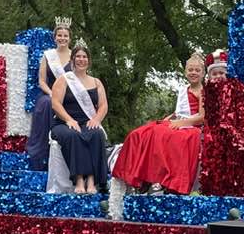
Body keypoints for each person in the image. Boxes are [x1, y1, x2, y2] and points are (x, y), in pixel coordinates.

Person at [112, 52, 206, 195]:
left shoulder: (203, 91)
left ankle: (170, 182)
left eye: (197, 70)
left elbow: (201, 117)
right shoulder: (183, 90)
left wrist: (180, 122)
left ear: (203, 73)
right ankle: (143, 176)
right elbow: (178, 111)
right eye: (190, 70)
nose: (193, 73)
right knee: (143, 133)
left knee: (171, 137)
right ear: (185, 71)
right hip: (178, 122)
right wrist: (170, 118)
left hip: (192, 126)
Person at [50, 41, 109, 194]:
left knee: (96, 134)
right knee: (74, 136)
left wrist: (96, 119)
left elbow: (103, 106)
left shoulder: (96, 82)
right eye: (78, 57)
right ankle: (79, 180)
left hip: (87, 121)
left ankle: (91, 180)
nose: (81, 59)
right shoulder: (64, 79)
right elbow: (56, 103)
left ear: (88, 60)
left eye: (84, 57)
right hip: (64, 122)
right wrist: (69, 119)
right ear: (73, 60)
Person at [26, 18, 73, 170]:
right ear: (55, 38)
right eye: (59, 35)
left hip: (70, 94)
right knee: (46, 103)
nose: (62, 38)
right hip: (50, 93)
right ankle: (42, 150)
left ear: (70, 38)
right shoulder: (48, 56)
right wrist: (53, 94)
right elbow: (41, 81)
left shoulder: (76, 56)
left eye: (65, 36)